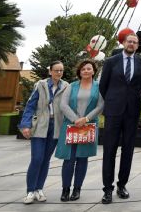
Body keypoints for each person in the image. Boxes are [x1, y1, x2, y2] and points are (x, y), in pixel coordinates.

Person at [99, 33, 141, 204]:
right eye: (129, 41)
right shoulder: (111, 62)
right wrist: (114, 100)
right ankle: (107, 189)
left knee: (128, 150)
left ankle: (122, 185)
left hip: (132, 112)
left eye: (135, 42)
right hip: (113, 112)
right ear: (124, 43)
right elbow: (103, 86)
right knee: (109, 150)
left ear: (137, 45)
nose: (132, 44)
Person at [19, 61, 69, 204]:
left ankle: (39, 189)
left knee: (46, 160)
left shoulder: (66, 86)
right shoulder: (40, 85)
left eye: (61, 71)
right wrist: (25, 125)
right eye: (56, 70)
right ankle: (30, 191)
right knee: (37, 158)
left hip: (56, 126)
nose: (59, 73)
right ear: (50, 71)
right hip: (40, 125)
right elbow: (30, 106)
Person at [56, 60, 104, 201]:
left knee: (82, 159)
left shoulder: (98, 86)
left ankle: (77, 190)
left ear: (93, 71)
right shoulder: (71, 86)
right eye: (83, 69)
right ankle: (65, 189)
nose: (86, 71)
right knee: (68, 160)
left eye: (89, 68)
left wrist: (86, 119)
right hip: (71, 126)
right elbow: (63, 105)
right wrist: (75, 119)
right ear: (80, 72)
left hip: (87, 127)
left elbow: (101, 106)